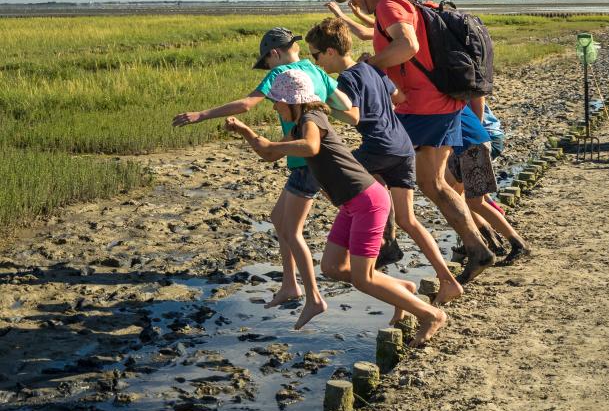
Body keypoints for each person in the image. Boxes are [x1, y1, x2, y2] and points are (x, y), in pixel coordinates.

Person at [226, 70, 447, 346]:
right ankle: (403, 289)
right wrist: (245, 131)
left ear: (295, 100)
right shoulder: (298, 126)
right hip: (352, 205)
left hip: (368, 201)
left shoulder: (312, 118)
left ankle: (431, 314)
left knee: (363, 278)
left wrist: (272, 143)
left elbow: (311, 146)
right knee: (332, 267)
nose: (275, 106)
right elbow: (269, 154)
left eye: (278, 100)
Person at [172, 26, 353, 327]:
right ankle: (289, 285)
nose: (268, 68)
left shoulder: (281, 75)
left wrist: (202, 115)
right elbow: (345, 106)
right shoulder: (314, 70)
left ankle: (313, 297)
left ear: (274, 53)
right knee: (277, 218)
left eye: (267, 62)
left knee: (292, 230)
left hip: (305, 161)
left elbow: (246, 104)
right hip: (307, 159)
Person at [333, 0, 495, 283]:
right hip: (441, 105)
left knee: (366, 166)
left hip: (424, 108)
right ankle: (478, 248)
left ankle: (385, 240)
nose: (354, 2)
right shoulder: (405, 1)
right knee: (433, 183)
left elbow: (409, 45)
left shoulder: (388, 5)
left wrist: (371, 63)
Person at [305, 17, 463, 304]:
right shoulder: (372, 68)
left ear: (330, 51)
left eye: (316, 56)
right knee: (409, 220)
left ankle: (373, 251)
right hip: (401, 146)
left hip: (379, 146)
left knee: (336, 182)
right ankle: (447, 280)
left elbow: (352, 115)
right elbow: (399, 97)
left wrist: (323, 104)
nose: (316, 63)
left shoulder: (347, 78)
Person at [446, 106, 529, 263]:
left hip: (472, 147)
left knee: (475, 202)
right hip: (466, 145)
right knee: (466, 199)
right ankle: (485, 240)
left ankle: (517, 243)